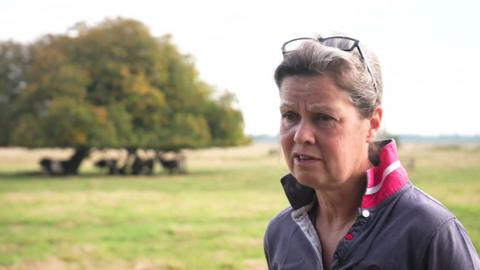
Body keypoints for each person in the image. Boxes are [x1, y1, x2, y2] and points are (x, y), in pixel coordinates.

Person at [264, 34, 480, 270]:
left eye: (324, 118)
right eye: (289, 116)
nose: (300, 135)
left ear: (373, 123)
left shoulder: (429, 232)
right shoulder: (281, 234)